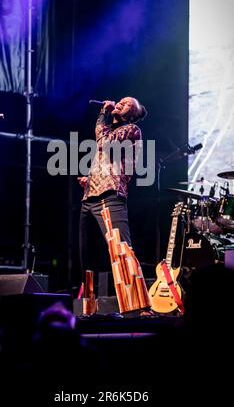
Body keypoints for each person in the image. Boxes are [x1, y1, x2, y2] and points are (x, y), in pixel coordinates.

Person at [78, 96, 148, 313]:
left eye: (126, 104)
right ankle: (89, 308)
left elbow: (104, 143)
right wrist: (89, 180)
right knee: (86, 257)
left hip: (111, 196)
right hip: (90, 197)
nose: (120, 103)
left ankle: (137, 306)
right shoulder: (111, 128)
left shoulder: (131, 130)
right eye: (121, 101)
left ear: (132, 114)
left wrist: (103, 113)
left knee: (122, 251)